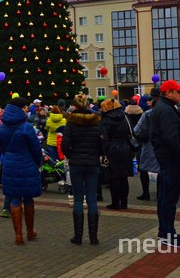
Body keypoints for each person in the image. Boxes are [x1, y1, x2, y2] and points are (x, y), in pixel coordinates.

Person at [150, 79, 180, 247]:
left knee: (164, 196)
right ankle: (168, 232)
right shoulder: (166, 110)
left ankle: (164, 230)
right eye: (177, 92)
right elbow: (170, 137)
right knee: (169, 197)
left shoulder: (162, 108)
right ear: (168, 93)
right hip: (170, 159)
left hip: (165, 158)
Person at [0, 96, 42, 245]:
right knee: (28, 199)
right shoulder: (26, 127)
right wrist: (37, 162)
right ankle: (30, 231)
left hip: (10, 165)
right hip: (27, 164)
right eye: (25, 107)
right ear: (20, 109)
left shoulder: (3, 127)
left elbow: (2, 147)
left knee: (15, 200)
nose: (26, 109)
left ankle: (18, 235)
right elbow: (36, 148)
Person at [62, 94, 105, 245]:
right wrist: (98, 154)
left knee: (79, 199)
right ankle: (93, 237)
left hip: (76, 163)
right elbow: (101, 144)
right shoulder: (96, 121)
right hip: (92, 163)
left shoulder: (71, 123)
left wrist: (72, 155)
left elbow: (65, 145)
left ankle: (78, 236)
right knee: (92, 198)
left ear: (75, 106)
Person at [101, 98, 133, 210]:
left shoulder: (107, 119)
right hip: (125, 148)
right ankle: (124, 203)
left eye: (103, 107)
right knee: (123, 177)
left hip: (113, 149)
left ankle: (115, 202)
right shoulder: (125, 116)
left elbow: (105, 137)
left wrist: (104, 151)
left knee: (114, 177)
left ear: (108, 108)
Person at [134, 89, 160, 201]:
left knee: (144, 169)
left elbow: (136, 129)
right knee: (160, 170)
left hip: (147, 145)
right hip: (161, 145)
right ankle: (160, 193)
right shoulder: (167, 113)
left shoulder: (147, 114)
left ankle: (146, 193)